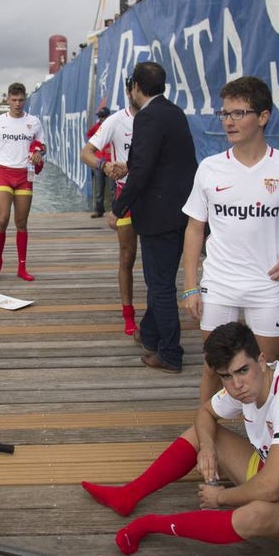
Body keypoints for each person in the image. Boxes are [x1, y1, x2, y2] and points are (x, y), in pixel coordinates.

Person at [82, 322, 279, 555]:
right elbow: (204, 413)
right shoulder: (246, 386)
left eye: (242, 371)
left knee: (256, 515)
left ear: (262, 361)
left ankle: (150, 525)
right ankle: (128, 495)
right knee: (204, 433)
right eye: (226, 376)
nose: (237, 385)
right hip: (271, 471)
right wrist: (207, 448)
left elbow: (271, 489)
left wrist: (222, 497)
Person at [181, 75, 279, 373]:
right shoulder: (210, 168)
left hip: (266, 285)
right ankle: (205, 422)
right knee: (216, 370)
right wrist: (189, 287)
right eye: (225, 113)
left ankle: (263, 422)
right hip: (219, 284)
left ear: (263, 117)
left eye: (239, 113)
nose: (229, 122)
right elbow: (194, 227)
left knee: (267, 371)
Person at [110, 63, 197, 373]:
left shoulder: (146, 117)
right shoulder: (175, 113)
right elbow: (170, 163)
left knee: (159, 285)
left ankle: (171, 352)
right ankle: (149, 334)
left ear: (136, 86)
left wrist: (118, 208)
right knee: (161, 279)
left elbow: (144, 170)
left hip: (157, 216)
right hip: (181, 212)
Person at [81, 101, 138, 335]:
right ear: (131, 89)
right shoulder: (115, 120)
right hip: (125, 194)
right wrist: (104, 166)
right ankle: (129, 315)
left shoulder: (157, 118)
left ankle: (158, 312)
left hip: (153, 196)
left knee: (157, 261)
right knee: (127, 258)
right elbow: (86, 153)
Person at [0, 82, 44, 281]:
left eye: (21, 100)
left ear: (25, 99)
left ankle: (22, 267)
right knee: (2, 219)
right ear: (7, 99)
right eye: (14, 100)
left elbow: (42, 148)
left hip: (25, 175)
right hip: (4, 174)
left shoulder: (34, 122)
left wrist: (38, 153)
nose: (18, 104)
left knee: (21, 223)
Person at [85, 107, 112, 218]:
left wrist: (112, 148)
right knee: (99, 188)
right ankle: (99, 210)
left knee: (113, 189)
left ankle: (115, 211)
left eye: (103, 117)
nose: (100, 119)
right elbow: (89, 134)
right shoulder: (97, 127)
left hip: (111, 162)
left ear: (108, 117)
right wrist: (95, 147)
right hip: (98, 162)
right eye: (99, 117)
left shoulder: (112, 126)